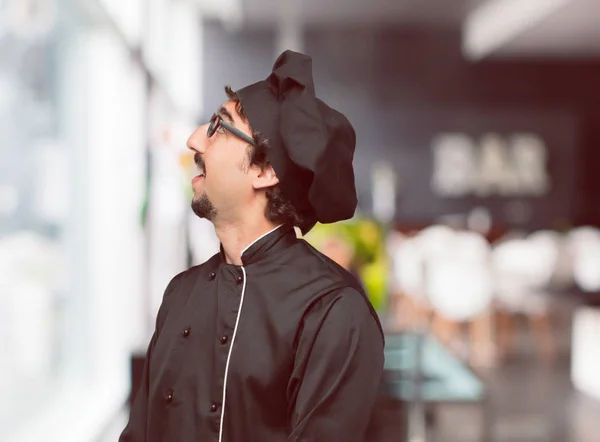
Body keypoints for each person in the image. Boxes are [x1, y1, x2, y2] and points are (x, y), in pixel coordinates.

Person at [119, 50, 384, 442]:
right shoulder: (181, 292)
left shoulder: (332, 310)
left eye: (217, 128)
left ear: (264, 170)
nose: (194, 140)